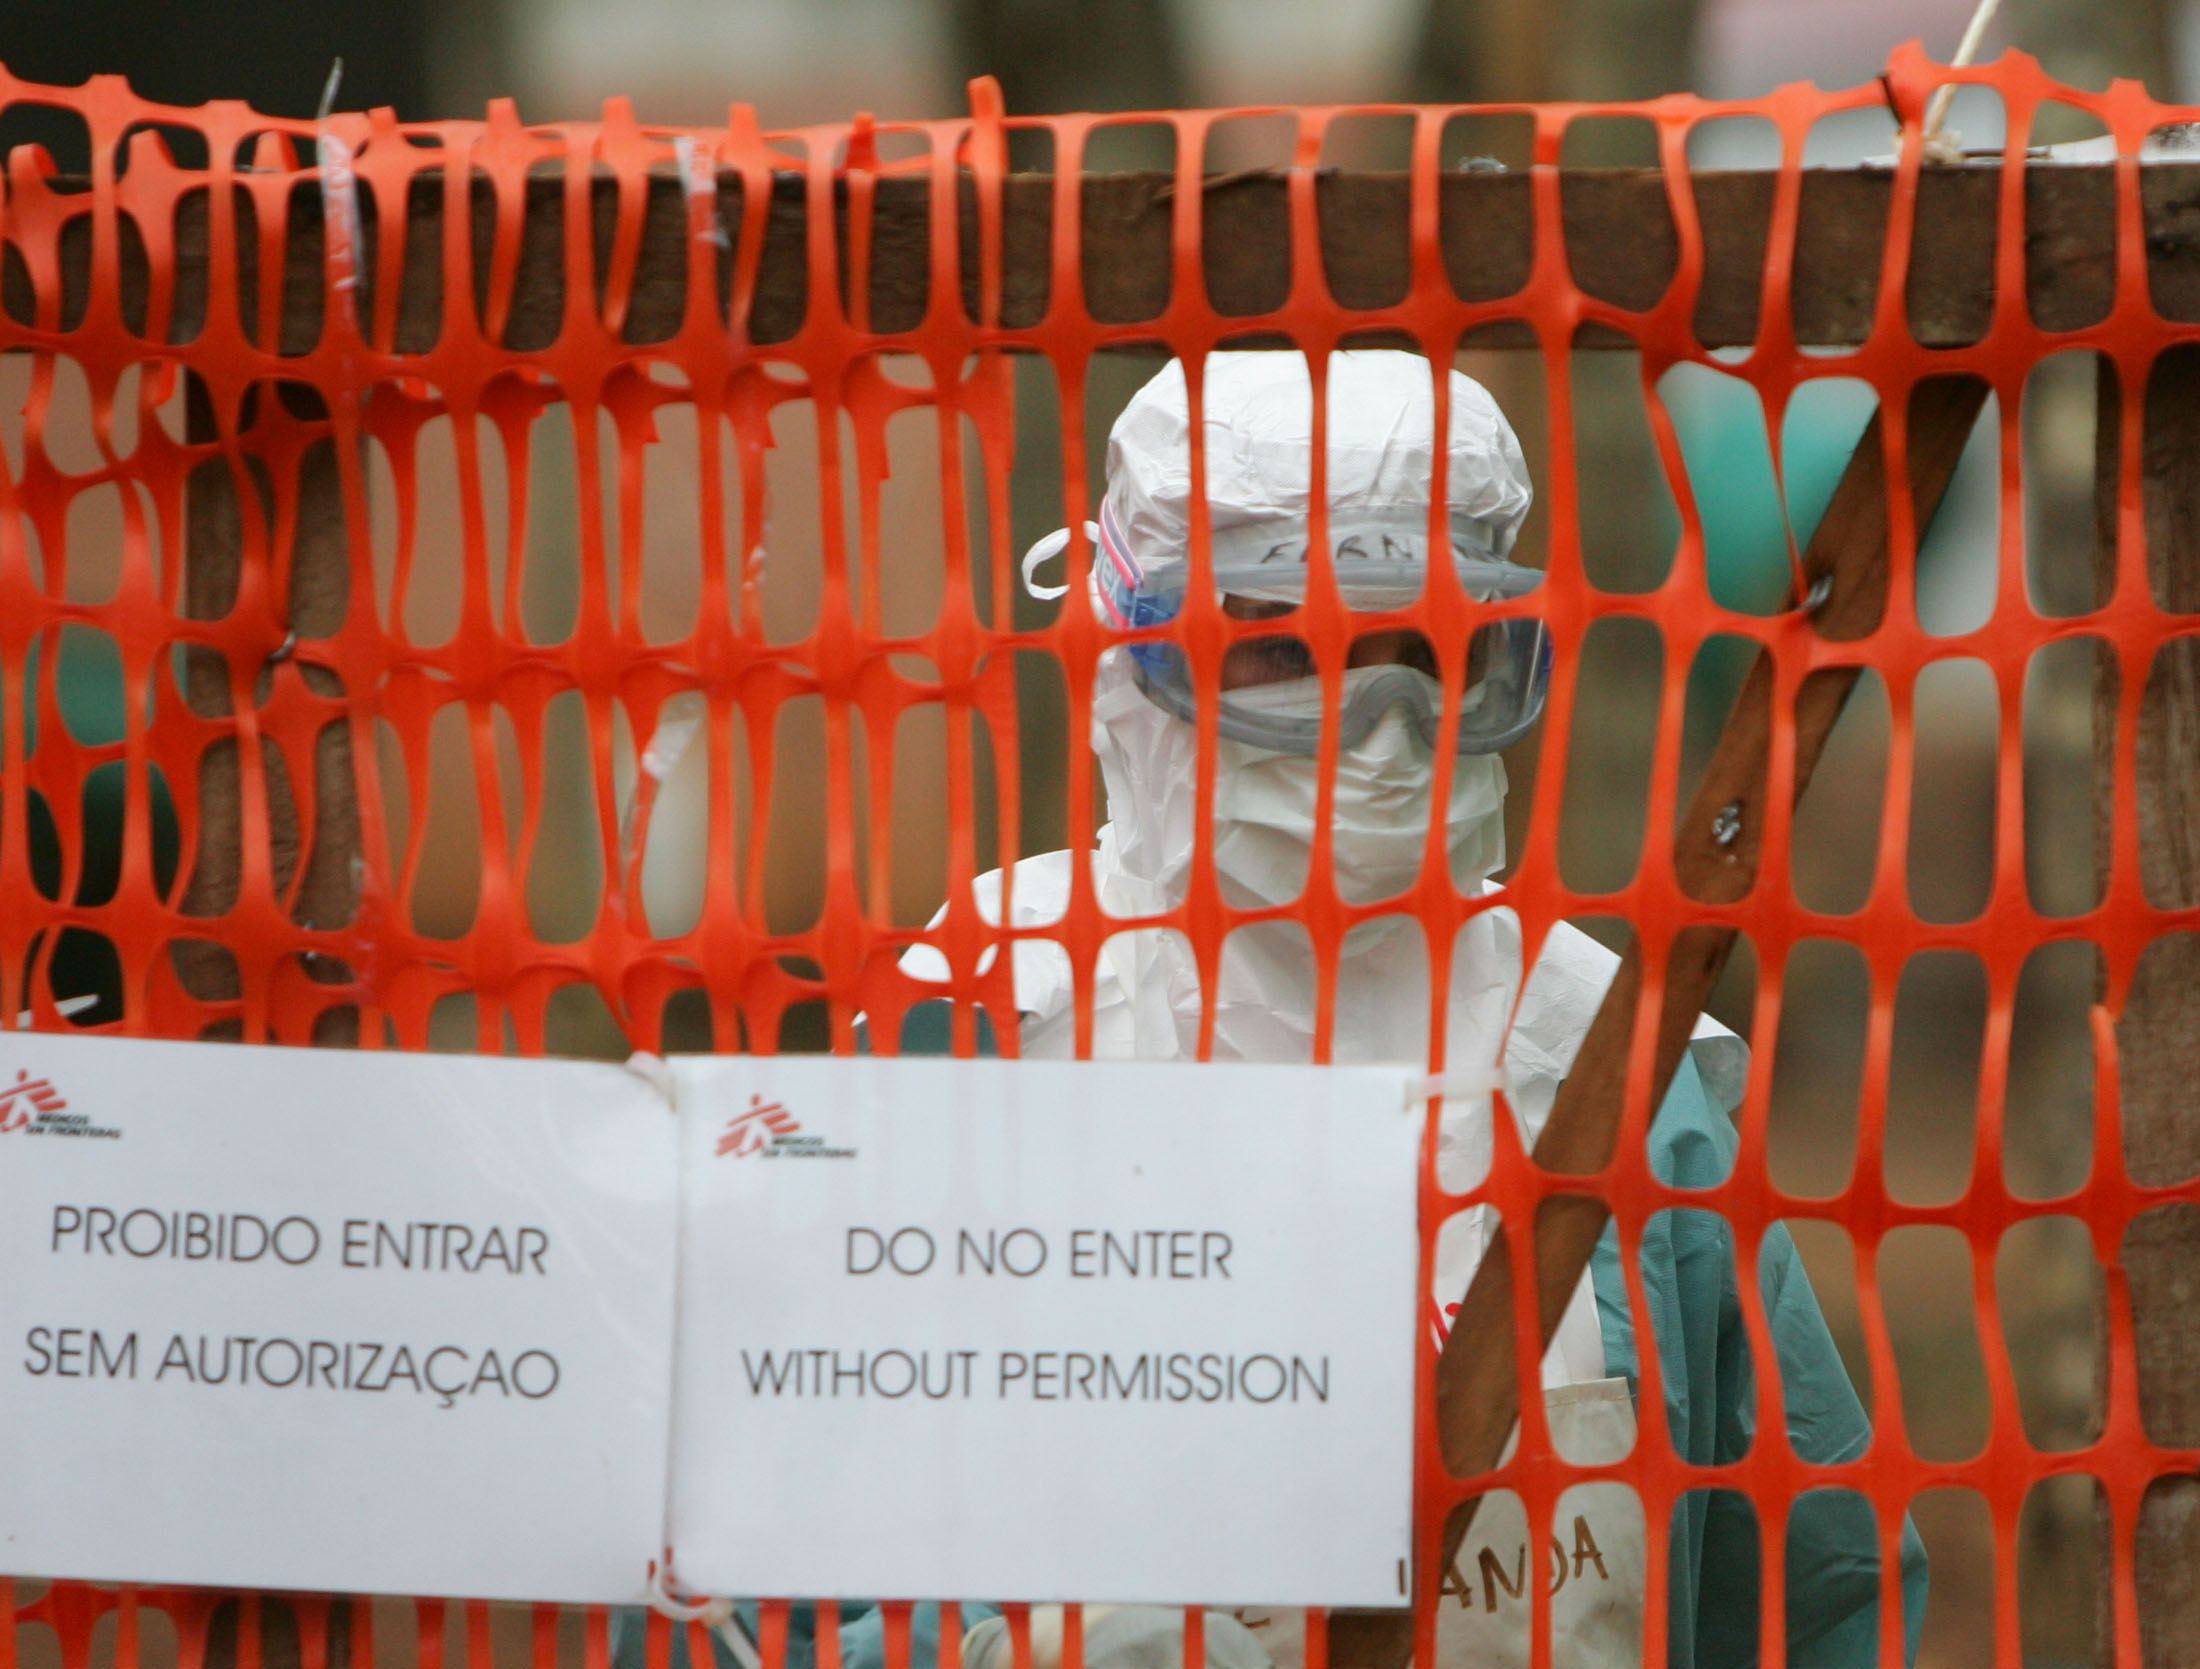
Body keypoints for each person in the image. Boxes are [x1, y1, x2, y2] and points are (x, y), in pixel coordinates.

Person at [618, 350, 1926, 1669]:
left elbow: (1816, 1597)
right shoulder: (970, 1031)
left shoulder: (1610, 1067)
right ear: (1137, 655)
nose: (1383, 733)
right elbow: (721, 1595)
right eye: (1292, 656)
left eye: (1433, 656)